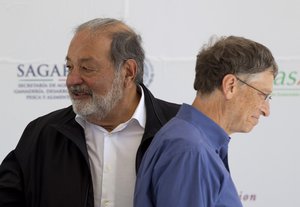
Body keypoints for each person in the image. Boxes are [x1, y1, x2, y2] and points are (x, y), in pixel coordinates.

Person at [0, 18, 180, 207]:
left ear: (128, 71)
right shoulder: (42, 134)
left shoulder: (180, 131)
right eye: (70, 67)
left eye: (87, 68)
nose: (72, 80)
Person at [134, 35, 278, 207]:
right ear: (230, 85)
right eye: (262, 95)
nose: (266, 110)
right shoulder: (190, 150)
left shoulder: (191, 143)